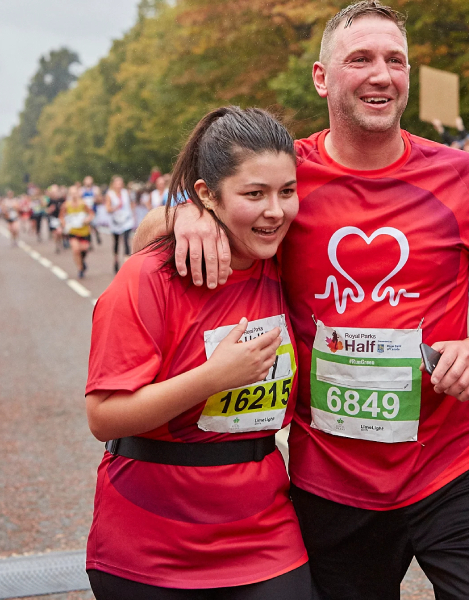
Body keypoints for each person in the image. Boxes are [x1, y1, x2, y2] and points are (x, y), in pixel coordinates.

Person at [135, 3, 469, 598]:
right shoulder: (285, 178)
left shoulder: (462, 175)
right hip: (331, 484)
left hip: (450, 467)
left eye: (395, 60)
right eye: (360, 59)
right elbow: (146, 240)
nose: (382, 75)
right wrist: (187, 214)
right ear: (322, 78)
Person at [85, 107, 312, 599]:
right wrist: (214, 378)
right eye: (254, 194)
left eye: (287, 192)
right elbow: (103, 417)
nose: (276, 211)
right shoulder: (148, 276)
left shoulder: (288, 260)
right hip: (148, 545)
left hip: (265, 536)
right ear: (207, 195)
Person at [61, 185, 93, 278]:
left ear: (78, 193)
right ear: (69, 194)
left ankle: (82, 261)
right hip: (73, 231)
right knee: (76, 249)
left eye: (75, 193)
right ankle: (80, 268)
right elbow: (61, 216)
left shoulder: (83, 204)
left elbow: (91, 214)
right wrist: (64, 224)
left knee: (84, 249)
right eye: (72, 193)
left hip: (84, 231)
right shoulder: (66, 205)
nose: (74, 195)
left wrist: (87, 219)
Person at [105, 176, 134, 273]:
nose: (119, 186)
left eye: (120, 184)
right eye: (117, 184)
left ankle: (127, 264)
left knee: (126, 241)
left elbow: (131, 204)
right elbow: (108, 208)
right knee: (116, 242)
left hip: (126, 221)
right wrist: (114, 208)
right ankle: (116, 260)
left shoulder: (126, 193)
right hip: (116, 222)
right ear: (113, 184)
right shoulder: (110, 194)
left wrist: (132, 214)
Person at [81, 176, 103, 245]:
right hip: (86, 211)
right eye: (87, 180)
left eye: (89, 180)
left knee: (94, 225)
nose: (88, 182)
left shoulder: (95, 189)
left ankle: (97, 234)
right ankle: (89, 242)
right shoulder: (81, 190)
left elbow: (100, 200)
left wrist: (96, 198)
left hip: (94, 211)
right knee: (88, 226)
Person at [46, 185, 66, 253]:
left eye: (56, 192)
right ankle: (57, 246)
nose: (55, 193)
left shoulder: (62, 200)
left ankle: (60, 242)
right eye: (53, 192)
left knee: (59, 232)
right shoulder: (50, 201)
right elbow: (47, 210)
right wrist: (50, 209)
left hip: (60, 218)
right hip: (53, 219)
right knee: (55, 234)